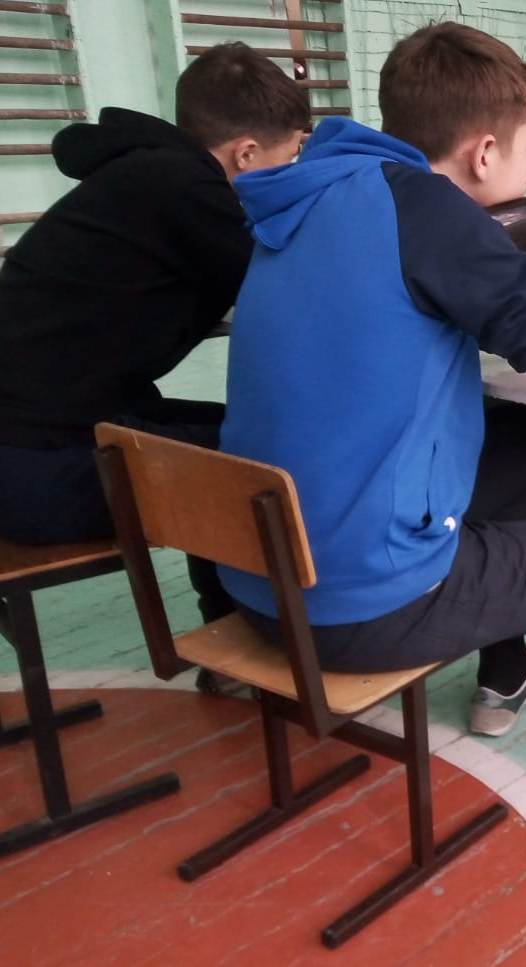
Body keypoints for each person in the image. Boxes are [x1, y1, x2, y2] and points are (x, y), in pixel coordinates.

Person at [219, 22, 526, 737]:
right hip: (362, 610)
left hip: (259, 575)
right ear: (484, 153)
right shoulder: (439, 221)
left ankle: (506, 671)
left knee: (520, 439)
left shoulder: (333, 191)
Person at [0, 43, 309, 641]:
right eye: (290, 156)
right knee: (265, 463)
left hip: (44, 436)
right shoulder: (187, 190)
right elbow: (297, 290)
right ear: (246, 153)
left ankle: (228, 623)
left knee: (240, 433)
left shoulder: (144, 174)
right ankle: (245, 639)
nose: (293, 172)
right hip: (37, 471)